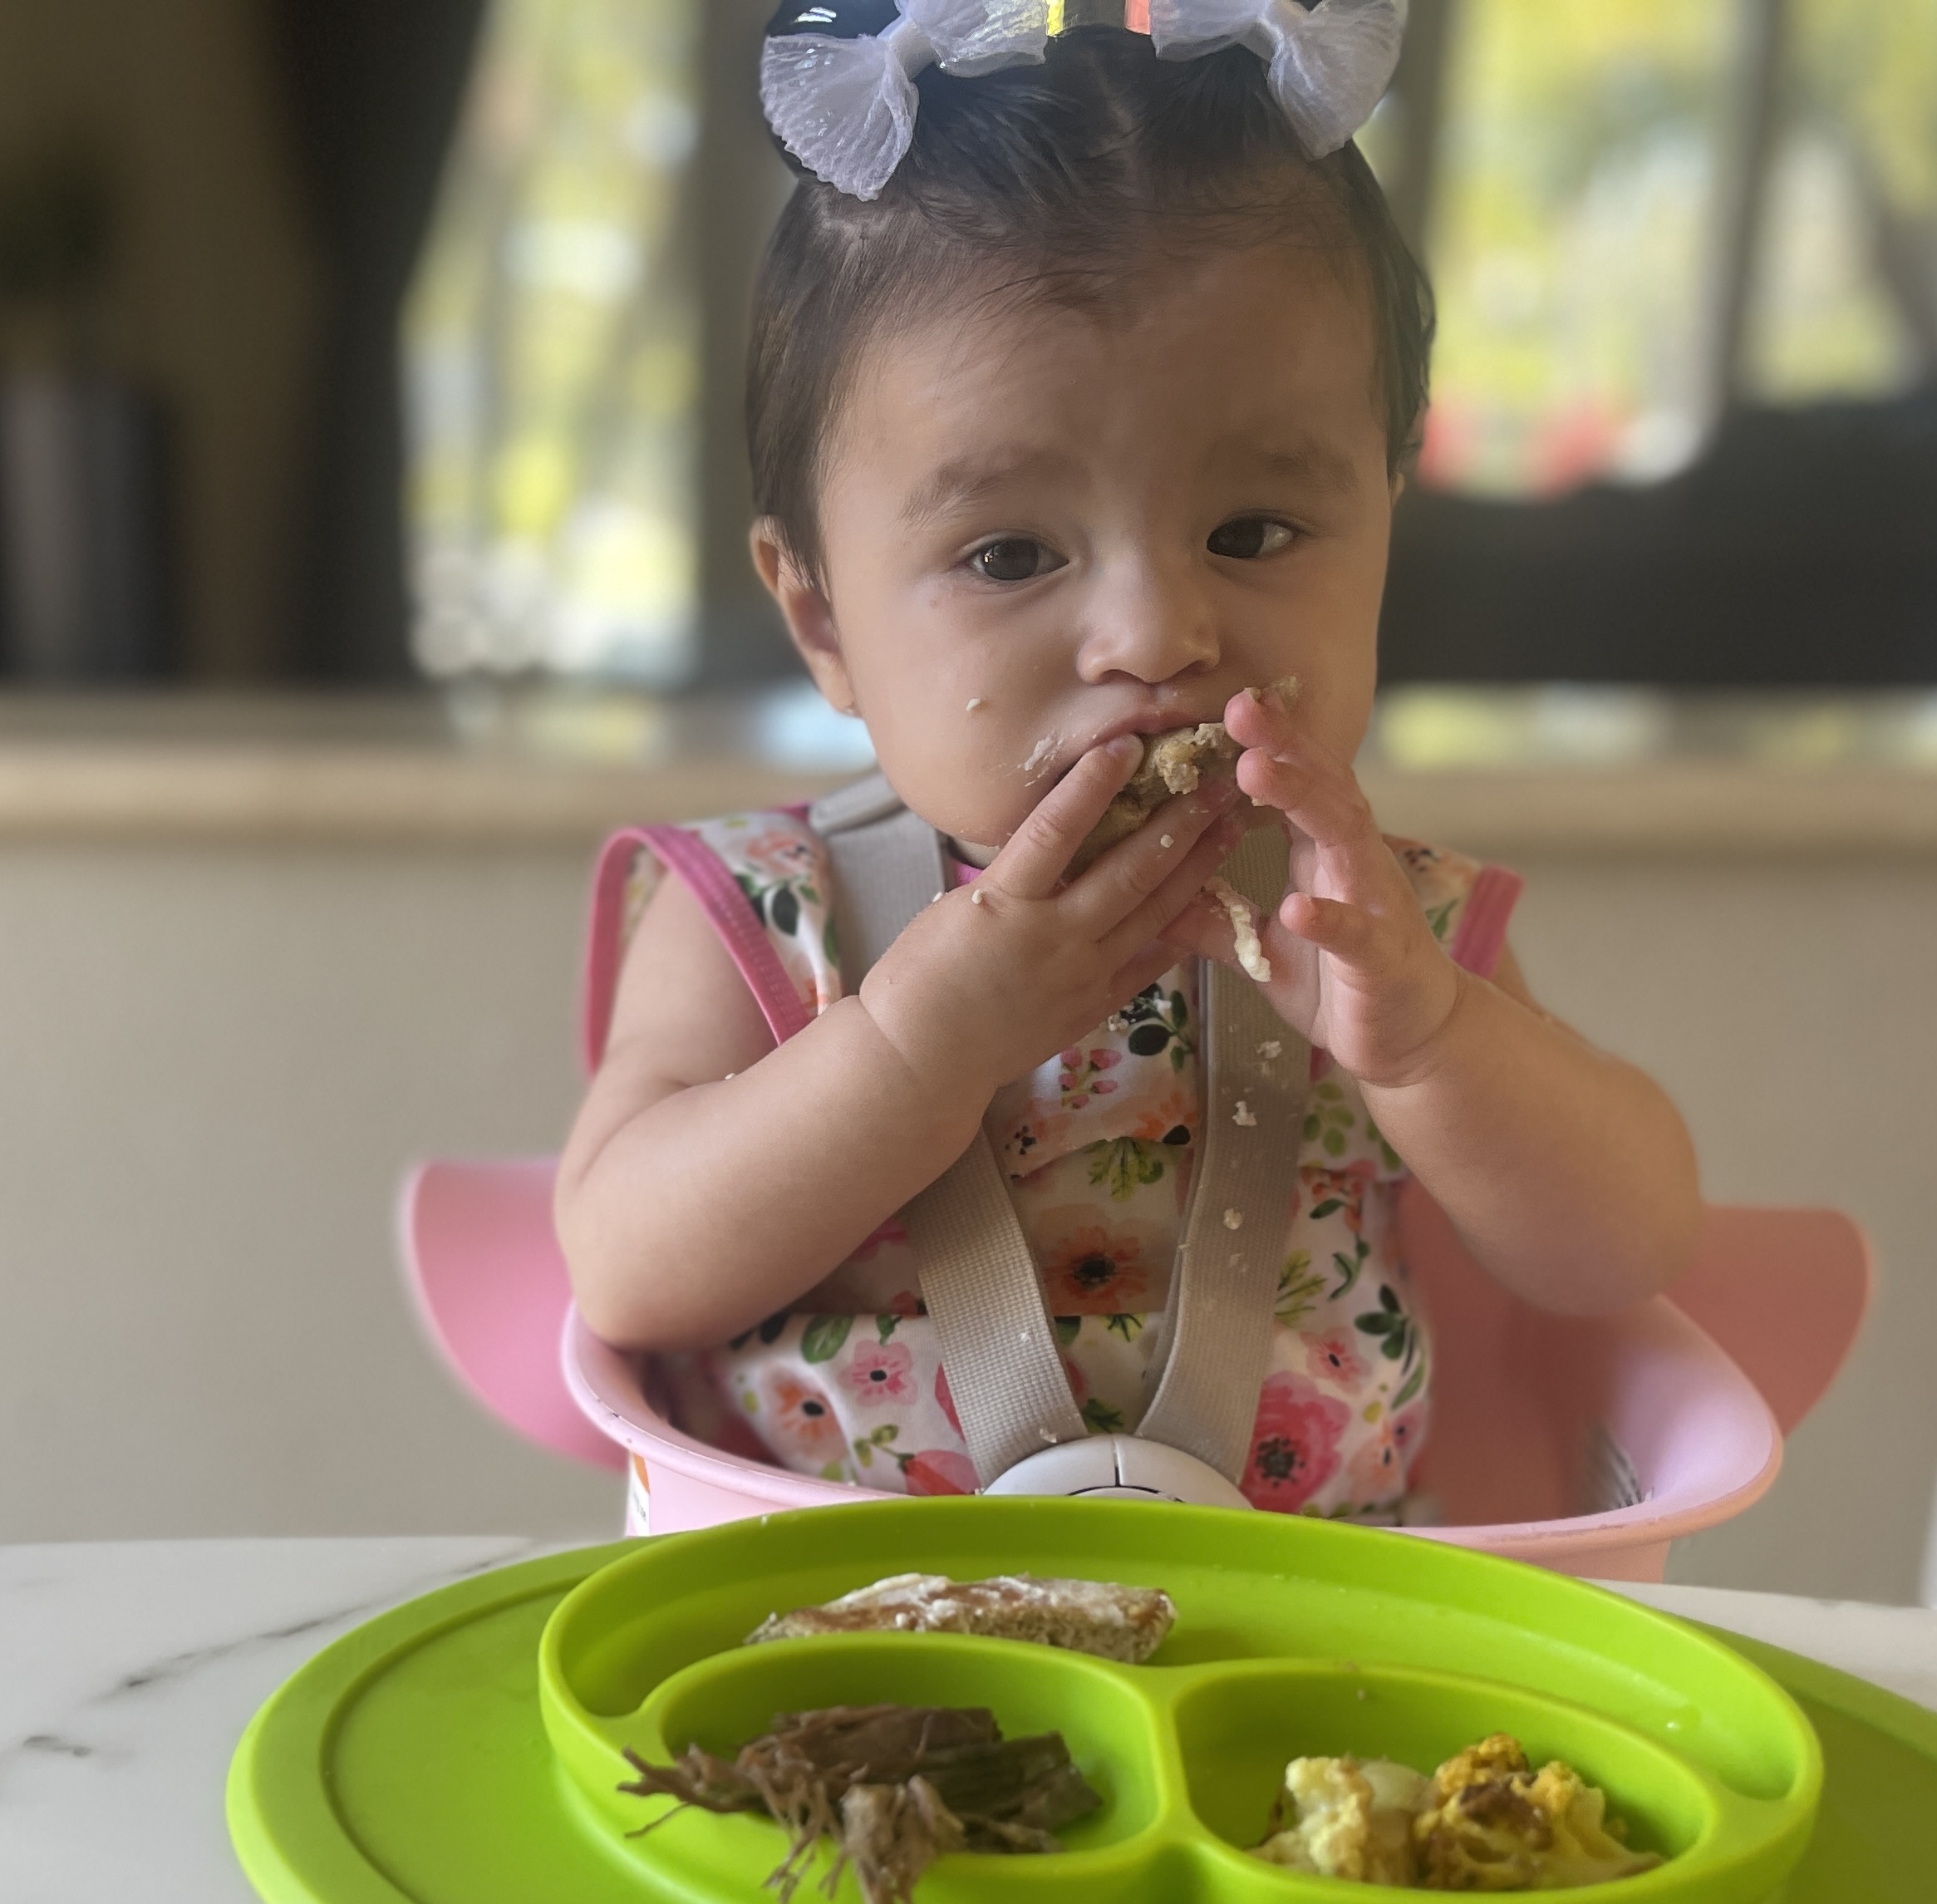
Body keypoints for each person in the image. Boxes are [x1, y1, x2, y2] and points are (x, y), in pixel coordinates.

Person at [554, 1, 1699, 1519]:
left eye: (1253, 533)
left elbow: (1629, 1247)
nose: (1158, 633)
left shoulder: (1382, 927)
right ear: (823, 618)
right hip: (819, 1644)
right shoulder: (770, 911)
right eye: (1013, 551)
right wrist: (913, 1048)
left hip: (1309, 1662)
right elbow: (623, 1267)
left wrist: (1426, 1046)